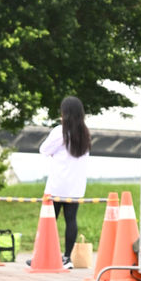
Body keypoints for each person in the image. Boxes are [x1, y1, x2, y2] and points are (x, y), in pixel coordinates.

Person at [38, 96, 91, 269]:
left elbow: (43, 150)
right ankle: (67, 258)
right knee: (71, 220)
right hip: (75, 186)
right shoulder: (85, 133)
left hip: (57, 185)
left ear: (64, 113)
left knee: (48, 221)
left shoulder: (59, 131)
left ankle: (44, 257)